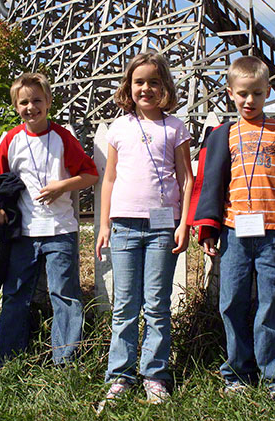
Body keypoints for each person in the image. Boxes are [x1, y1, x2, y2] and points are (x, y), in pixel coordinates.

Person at [187, 55, 275, 402]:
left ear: (267, 92)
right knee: (231, 301)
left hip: (274, 232)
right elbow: (209, 184)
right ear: (230, 93)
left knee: (272, 301)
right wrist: (208, 229)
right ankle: (238, 372)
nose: (249, 101)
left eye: (257, 94)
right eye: (242, 93)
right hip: (233, 232)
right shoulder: (223, 135)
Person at [95, 51, 193, 410]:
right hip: (123, 224)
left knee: (156, 304)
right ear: (129, 86)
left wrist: (184, 223)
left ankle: (155, 374)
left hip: (162, 226)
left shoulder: (175, 126)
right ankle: (120, 376)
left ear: (164, 85)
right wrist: (104, 224)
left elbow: (186, 176)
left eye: (153, 81)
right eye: (139, 82)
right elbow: (109, 178)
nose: (146, 88)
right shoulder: (119, 127)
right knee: (124, 306)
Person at [0, 72, 99, 367]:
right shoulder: (11, 139)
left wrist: (62, 185)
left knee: (64, 294)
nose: (30, 107)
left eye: (37, 100)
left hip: (60, 229)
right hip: (23, 231)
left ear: (48, 102)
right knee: (15, 293)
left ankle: (65, 360)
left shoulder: (63, 138)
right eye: (23, 102)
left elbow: (90, 174)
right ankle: (8, 359)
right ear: (15, 106)